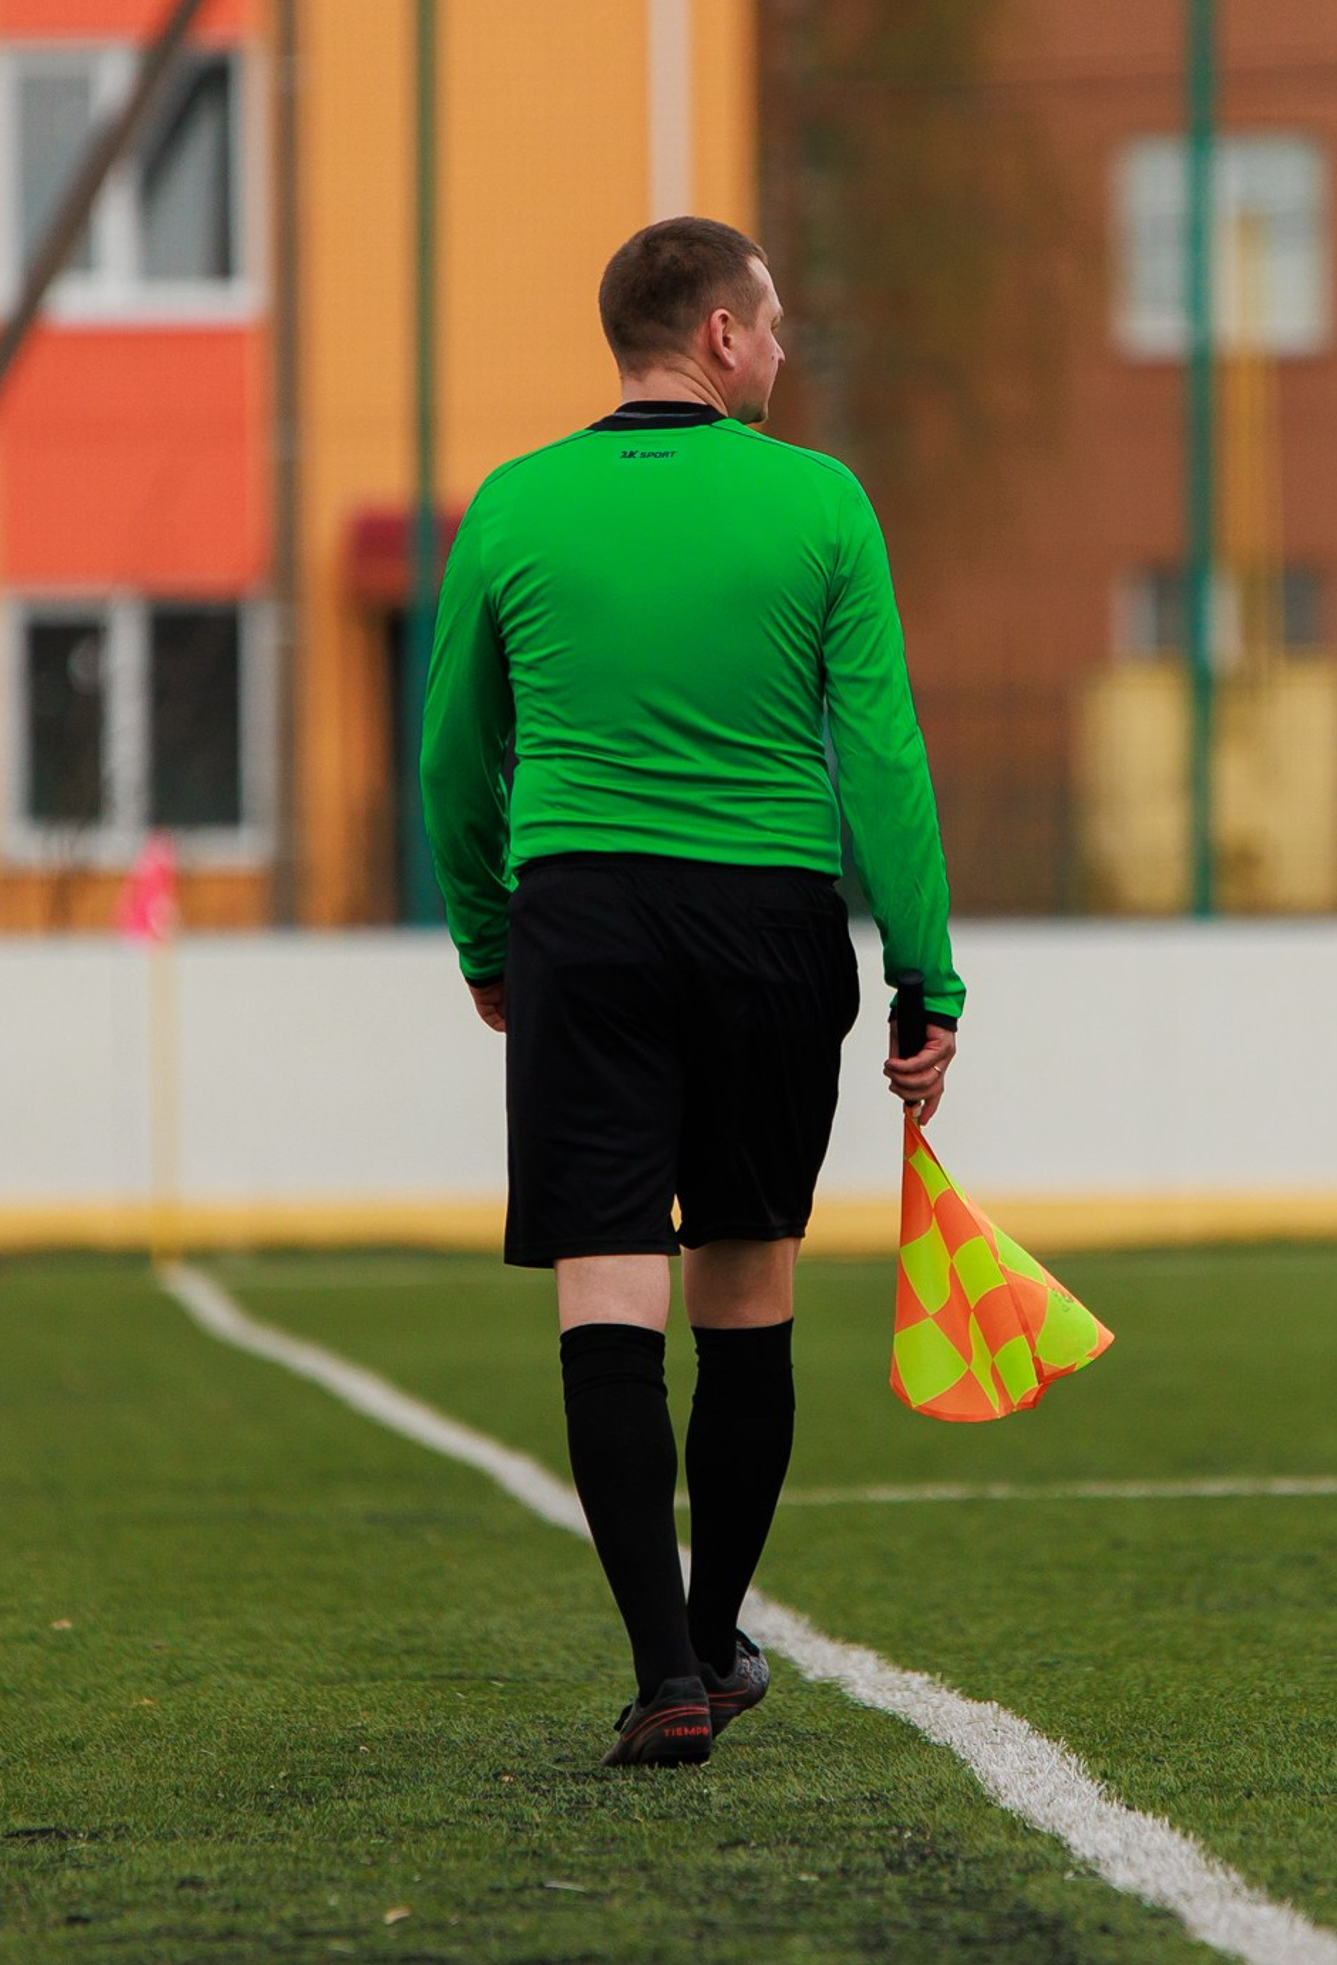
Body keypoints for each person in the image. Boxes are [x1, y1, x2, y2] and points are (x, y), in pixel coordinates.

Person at [419, 215, 963, 1769]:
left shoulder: (515, 507)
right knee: (746, 1290)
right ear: (720, 336)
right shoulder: (818, 506)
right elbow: (885, 761)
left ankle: (663, 1667)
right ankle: (718, 1629)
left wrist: (487, 938)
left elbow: (456, 756)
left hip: (581, 924)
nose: (785, 351)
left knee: (608, 1290)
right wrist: (926, 971)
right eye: (775, 322)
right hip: (767, 926)